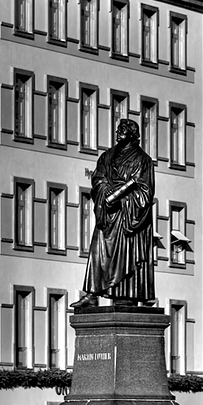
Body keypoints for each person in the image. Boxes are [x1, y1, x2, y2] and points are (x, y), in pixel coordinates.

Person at [72, 118, 156, 309]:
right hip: (108, 214)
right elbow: (97, 179)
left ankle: (126, 294)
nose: (118, 132)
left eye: (123, 130)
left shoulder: (143, 160)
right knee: (98, 251)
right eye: (118, 129)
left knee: (124, 255)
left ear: (133, 134)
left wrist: (122, 198)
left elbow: (145, 193)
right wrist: (105, 190)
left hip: (126, 216)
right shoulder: (107, 156)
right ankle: (92, 294)